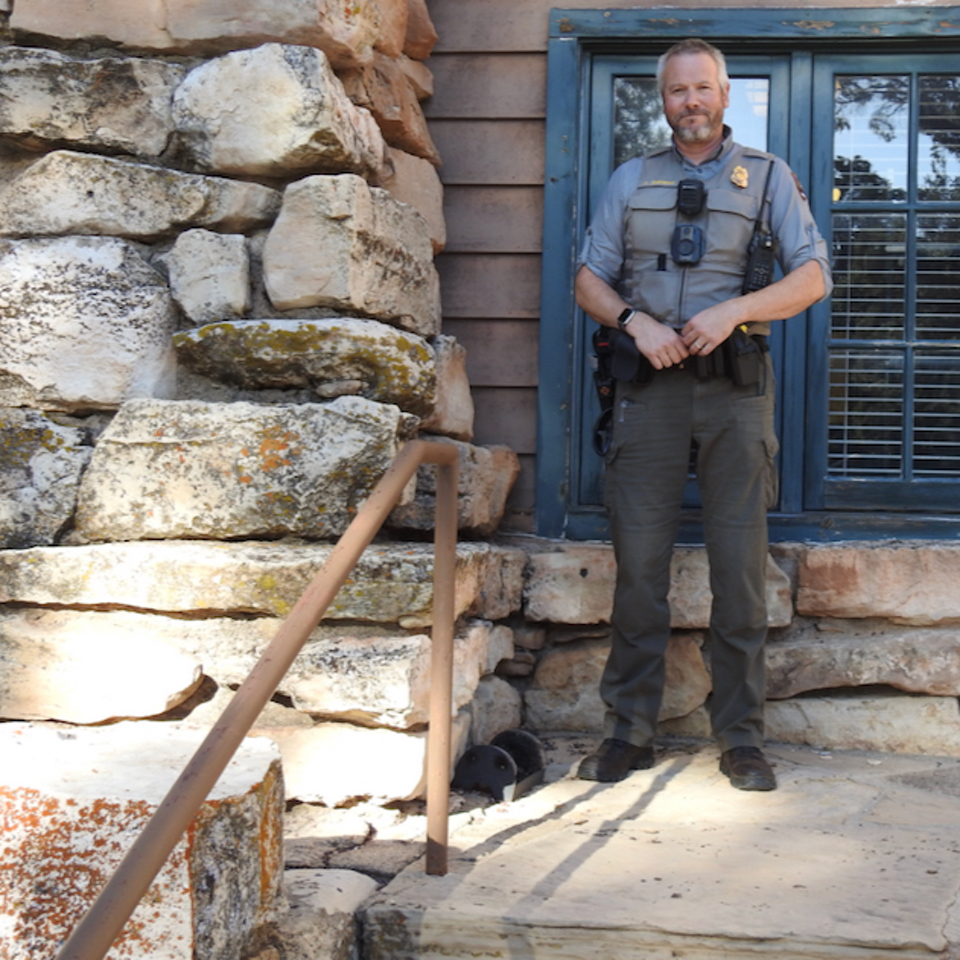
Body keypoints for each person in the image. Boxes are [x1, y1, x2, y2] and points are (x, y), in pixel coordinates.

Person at [575, 38, 832, 791]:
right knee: (640, 570)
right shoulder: (632, 178)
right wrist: (634, 321)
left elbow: (813, 275)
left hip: (734, 389)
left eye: (702, 89)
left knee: (739, 572)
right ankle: (628, 732)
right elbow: (589, 277)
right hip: (647, 392)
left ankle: (742, 738)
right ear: (664, 100)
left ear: (725, 96)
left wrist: (736, 312)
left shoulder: (770, 176)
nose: (690, 101)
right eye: (677, 91)